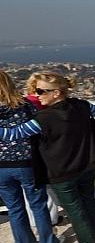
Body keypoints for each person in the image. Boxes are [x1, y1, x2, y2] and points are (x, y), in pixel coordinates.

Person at [0, 71, 95, 243]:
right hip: (86, 165)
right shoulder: (80, 105)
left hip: (61, 171)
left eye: (41, 91)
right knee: (89, 204)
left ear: (56, 93)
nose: (36, 95)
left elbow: (13, 134)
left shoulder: (44, 118)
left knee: (74, 209)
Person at [0, 71, 62, 243]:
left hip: (1, 167)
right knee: (38, 204)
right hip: (27, 163)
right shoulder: (24, 105)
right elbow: (39, 127)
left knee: (14, 208)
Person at [23, 72, 60, 226]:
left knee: (30, 190)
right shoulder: (42, 104)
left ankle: (36, 222)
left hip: (24, 152)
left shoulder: (24, 102)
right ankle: (51, 219)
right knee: (47, 186)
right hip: (44, 148)